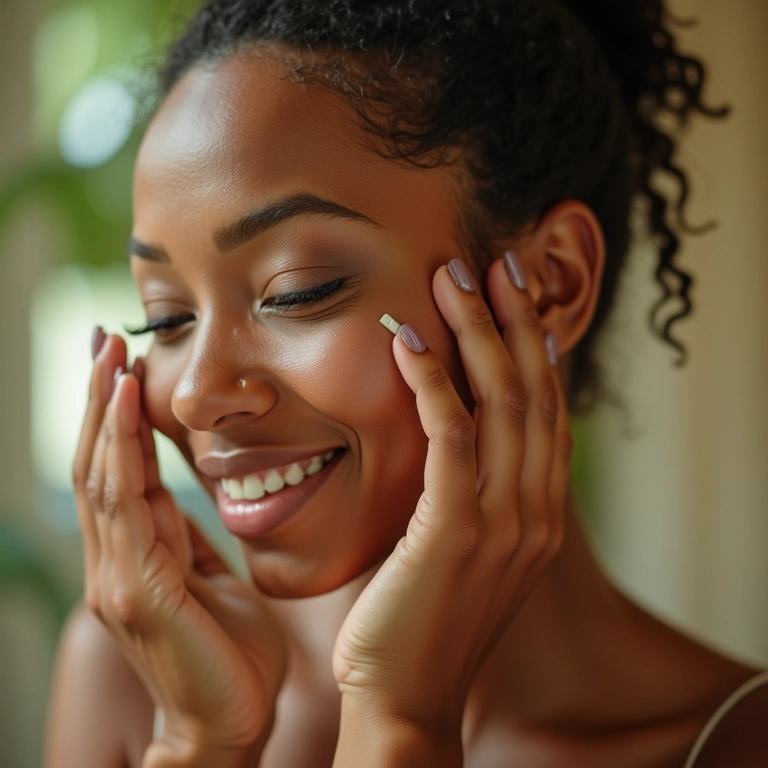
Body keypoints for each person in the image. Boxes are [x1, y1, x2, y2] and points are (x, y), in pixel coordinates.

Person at [44, 1, 768, 766]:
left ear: (550, 282)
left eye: (298, 289)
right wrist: (198, 745)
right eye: (166, 319)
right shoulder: (143, 681)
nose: (194, 394)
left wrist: (401, 724)